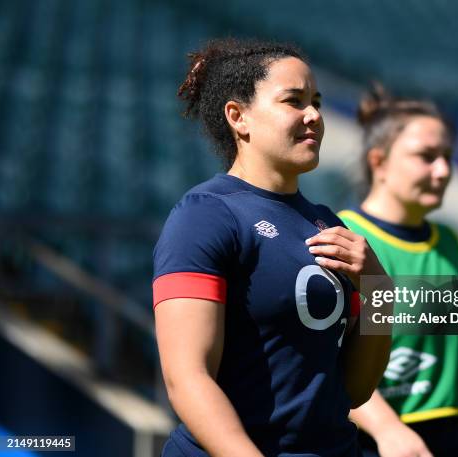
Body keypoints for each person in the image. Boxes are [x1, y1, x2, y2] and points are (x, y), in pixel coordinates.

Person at [152, 38, 391, 457]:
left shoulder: (328, 223)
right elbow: (188, 379)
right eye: (293, 101)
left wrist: (379, 290)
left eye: (316, 100)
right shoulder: (205, 215)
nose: (314, 115)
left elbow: (353, 391)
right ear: (238, 116)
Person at [339, 85, 458, 457]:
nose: (444, 170)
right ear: (378, 162)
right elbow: (325, 364)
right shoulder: (344, 238)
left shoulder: (452, 243)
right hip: (374, 441)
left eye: (448, 156)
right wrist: (387, 430)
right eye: (427, 157)